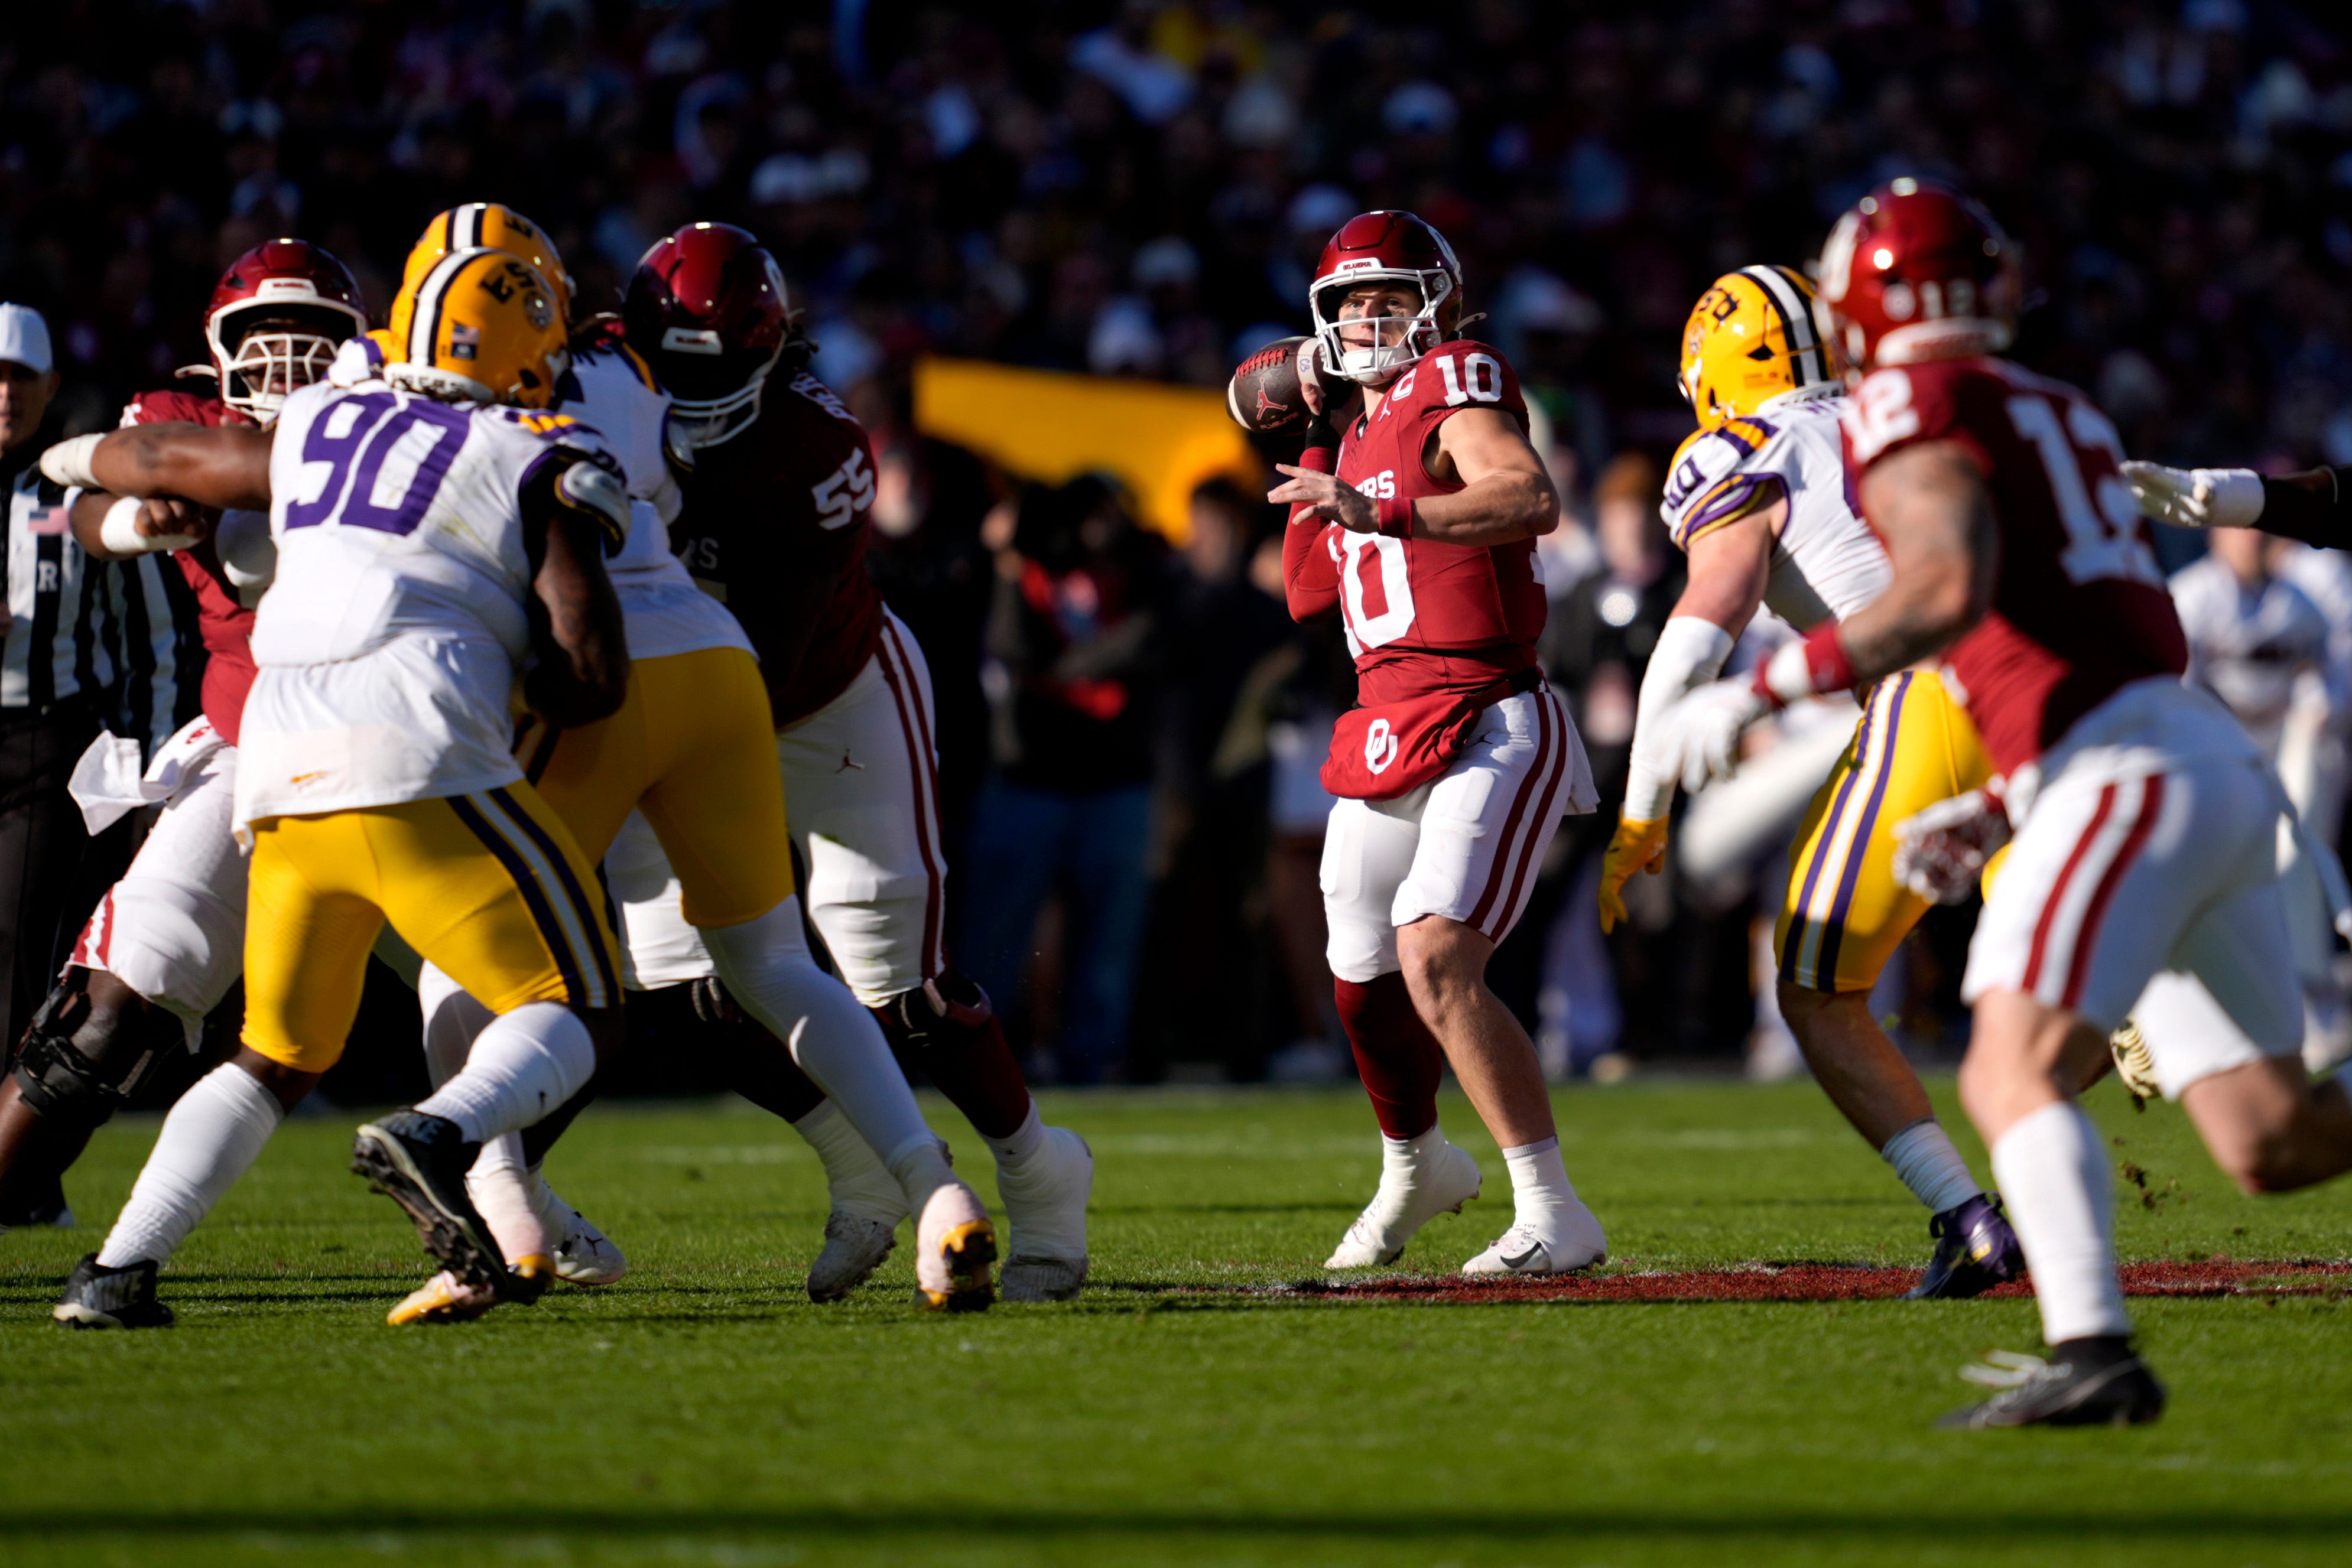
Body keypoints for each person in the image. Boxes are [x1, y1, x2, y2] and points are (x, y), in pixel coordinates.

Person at [1656, 180, 2352, 1428]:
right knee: (2269, 1141)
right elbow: (2098, 626)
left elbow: (1935, 592)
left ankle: (2092, 1353)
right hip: (2191, 754)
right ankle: (2089, 1347)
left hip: (2122, 773)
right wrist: (2006, 798)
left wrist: (1761, 686)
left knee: (2005, 1065)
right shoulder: (2064, 410)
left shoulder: (1905, 405)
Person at [363, 210, 999, 1322]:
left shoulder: (443, 411)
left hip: (603, 678)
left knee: (476, 949)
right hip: (713, 664)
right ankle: (932, 1187)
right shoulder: (624, 368)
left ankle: (497, 1209)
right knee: (772, 966)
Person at [37, 249, 645, 1328]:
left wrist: (72, 456)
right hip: (421, 751)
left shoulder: (319, 425)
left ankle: (118, 1268)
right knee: (580, 1000)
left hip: (273, 767)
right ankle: (440, 1136)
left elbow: (165, 455)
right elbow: (592, 676)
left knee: (272, 1051)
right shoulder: (529, 443)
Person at [622, 222, 1091, 1303]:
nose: (690, 397)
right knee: (692, 990)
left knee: (902, 986)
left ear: (772, 348)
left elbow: (768, 662)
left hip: (824, 695)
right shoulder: (597, 393)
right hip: (673, 697)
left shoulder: (814, 451)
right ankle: (864, 1171)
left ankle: (1041, 1173)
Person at [1594, 265, 2023, 1297]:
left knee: (1817, 986)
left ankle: (1972, 1219)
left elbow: (1697, 638)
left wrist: (1643, 807)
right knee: (2058, 984)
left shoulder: (1745, 447)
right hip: (2046, 695)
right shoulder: (1902, 415)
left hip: (1931, 695)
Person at [0, 243, 365, 1234]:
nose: (288, 368)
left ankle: (510, 1205)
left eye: (312, 343)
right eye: (265, 342)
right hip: (252, 745)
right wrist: (125, 519)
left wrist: (99, 476)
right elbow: (94, 509)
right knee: (109, 1005)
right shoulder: (188, 410)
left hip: (408, 752)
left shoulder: (386, 422)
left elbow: (199, 471)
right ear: (220, 348)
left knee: (504, 1001)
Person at [1269, 209, 1605, 1276]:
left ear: (1440, 304)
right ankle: (1416, 1162)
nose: (1373, 317)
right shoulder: (1355, 432)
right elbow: (1306, 590)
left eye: (1394, 295)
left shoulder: (1457, 374)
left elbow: (1527, 495)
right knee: (1359, 970)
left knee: (1437, 953)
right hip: (1387, 721)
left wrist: (1374, 502)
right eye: (1353, 301)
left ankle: (1553, 1208)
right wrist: (1314, 443)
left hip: (1494, 711)